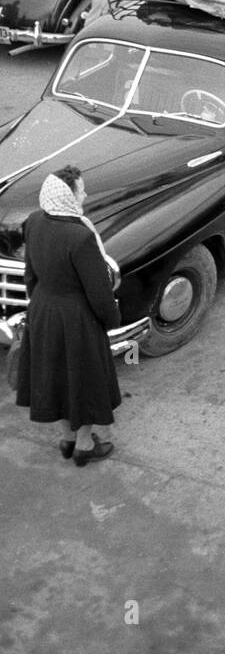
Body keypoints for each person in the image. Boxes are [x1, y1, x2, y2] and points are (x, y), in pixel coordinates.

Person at [15, 168, 121, 467]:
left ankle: (68, 440)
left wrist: (39, 304)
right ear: (67, 195)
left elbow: (30, 273)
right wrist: (111, 320)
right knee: (83, 380)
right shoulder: (80, 236)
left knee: (56, 378)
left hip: (43, 310)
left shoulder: (34, 221)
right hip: (76, 318)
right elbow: (99, 292)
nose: (85, 195)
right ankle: (85, 446)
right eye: (80, 190)